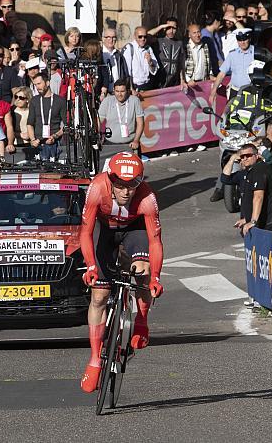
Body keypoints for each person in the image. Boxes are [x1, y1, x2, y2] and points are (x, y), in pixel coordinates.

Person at [79, 152, 163, 392]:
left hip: (135, 230)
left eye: (133, 185)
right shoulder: (97, 188)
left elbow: (155, 241)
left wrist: (155, 277)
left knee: (142, 270)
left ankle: (142, 321)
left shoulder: (147, 198)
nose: (127, 192)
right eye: (121, 186)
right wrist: (91, 266)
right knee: (99, 296)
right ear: (110, 180)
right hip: (104, 232)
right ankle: (95, 358)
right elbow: (85, 233)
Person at [209, 28, 254, 106]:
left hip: (251, 93)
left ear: (249, 39)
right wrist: (213, 92)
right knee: (231, 115)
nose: (242, 42)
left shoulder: (256, 53)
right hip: (235, 92)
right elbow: (222, 73)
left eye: (244, 39)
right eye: (239, 40)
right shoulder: (232, 54)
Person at [27, 73, 66, 161]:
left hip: (55, 143)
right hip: (38, 143)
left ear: (47, 83)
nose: (37, 87)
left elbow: (66, 126)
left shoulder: (60, 101)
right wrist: (33, 140)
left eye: (39, 84)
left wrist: (55, 136)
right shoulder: (34, 100)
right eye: (35, 85)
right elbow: (29, 123)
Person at [98, 78, 145, 148]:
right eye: (117, 91)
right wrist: (97, 138)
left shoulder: (135, 100)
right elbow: (98, 122)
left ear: (128, 91)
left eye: (122, 91)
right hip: (110, 144)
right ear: (114, 90)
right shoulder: (107, 101)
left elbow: (140, 123)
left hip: (130, 144)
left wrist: (136, 140)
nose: (119, 94)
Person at [149, 17, 184, 88]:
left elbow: (181, 63)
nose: (171, 31)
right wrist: (161, 26)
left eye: (174, 28)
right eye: (169, 28)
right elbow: (147, 35)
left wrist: (182, 80)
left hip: (173, 82)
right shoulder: (158, 41)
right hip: (159, 82)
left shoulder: (179, 43)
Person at [122, 27, 159, 93]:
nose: (143, 39)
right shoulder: (129, 48)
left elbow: (154, 70)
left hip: (147, 85)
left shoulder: (148, 48)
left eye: (145, 37)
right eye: (140, 37)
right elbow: (127, 71)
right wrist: (131, 89)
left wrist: (150, 62)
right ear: (135, 36)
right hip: (134, 86)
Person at [181, 24, 214, 90]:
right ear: (189, 35)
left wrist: (211, 75)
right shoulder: (185, 47)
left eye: (198, 32)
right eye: (194, 33)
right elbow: (182, 67)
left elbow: (208, 63)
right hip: (190, 84)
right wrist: (188, 80)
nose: (197, 35)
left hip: (203, 82)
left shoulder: (205, 46)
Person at [101, 28, 128, 92]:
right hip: (103, 94)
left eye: (113, 37)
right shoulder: (99, 54)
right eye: (108, 37)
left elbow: (125, 74)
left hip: (118, 93)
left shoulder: (119, 55)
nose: (111, 40)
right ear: (103, 39)